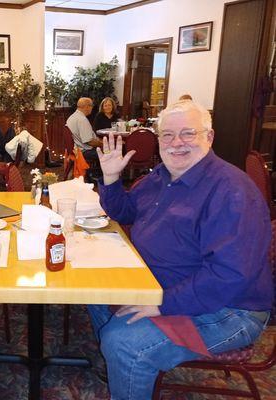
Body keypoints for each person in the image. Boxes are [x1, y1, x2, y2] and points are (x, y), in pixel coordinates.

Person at [88, 100, 273, 399]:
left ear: (209, 137)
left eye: (188, 133)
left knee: (122, 340)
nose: (176, 143)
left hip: (230, 310)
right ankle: (118, 366)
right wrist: (111, 178)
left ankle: (126, 358)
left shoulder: (231, 191)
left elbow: (228, 275)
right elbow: (126, 211)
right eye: (167, 135)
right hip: (164, 284)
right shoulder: (161, 176)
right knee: (95, 290)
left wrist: (163, 304)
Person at [66, 97, 103, 167]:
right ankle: (102, 175)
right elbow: (89, 141)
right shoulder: (82, 120)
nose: (92, 108)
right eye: (91, 106)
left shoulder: (72, 117)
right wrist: (104, 144)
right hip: (83, 152)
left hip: (75, 150)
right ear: (87, 107)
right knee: (109, 153)